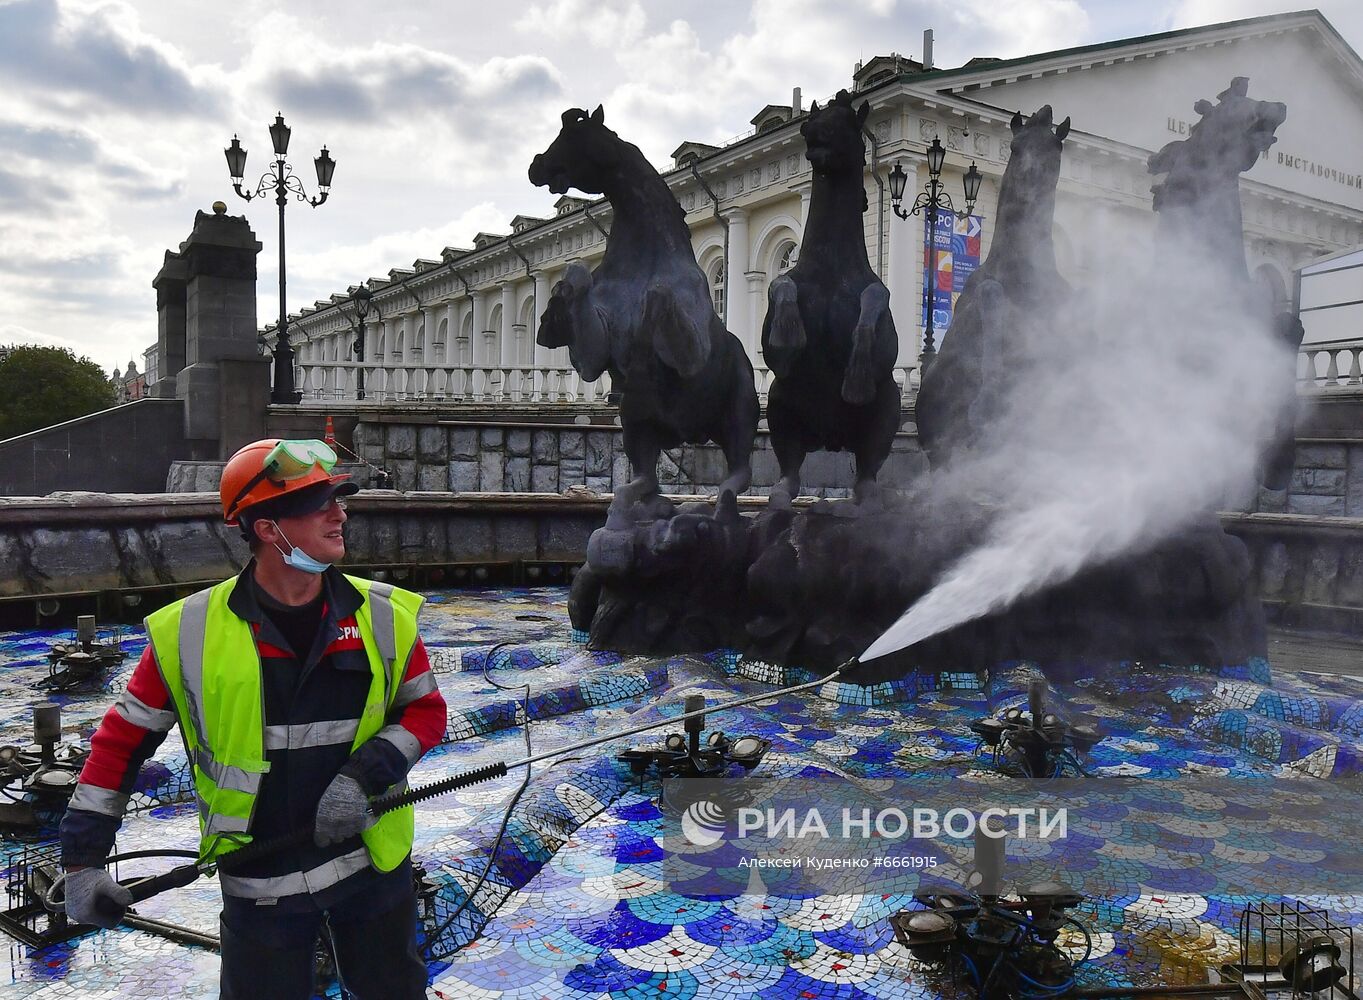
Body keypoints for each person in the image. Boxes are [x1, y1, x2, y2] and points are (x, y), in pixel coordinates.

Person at [58, 438, 447, 1000]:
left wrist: (363, 776)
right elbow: (119, 747)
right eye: (319, 504)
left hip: (372, 866)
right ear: (268, 528)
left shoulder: (384, 616)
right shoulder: (187, 633)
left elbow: (425, 712)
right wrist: (83, 861)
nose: (341, 513)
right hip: (259, 878)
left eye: (339, 500)